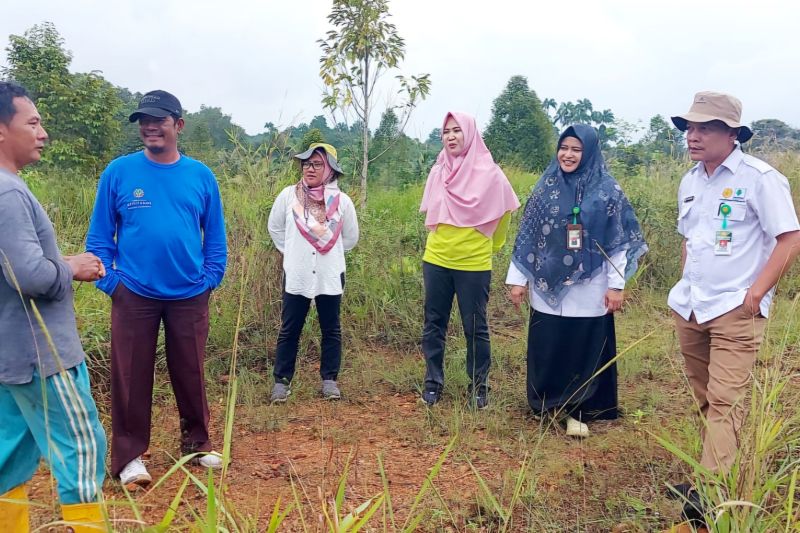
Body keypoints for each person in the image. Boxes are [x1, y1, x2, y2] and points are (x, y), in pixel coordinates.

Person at [666, 91, 800, 526]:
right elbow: (690, 239)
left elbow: (789, 238)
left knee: (726, 400)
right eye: (690, 127)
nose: (693, 135)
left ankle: (710, 495)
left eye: (705, 128)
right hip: (692, 306)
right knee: (704, 397)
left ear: (731, 134)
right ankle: (713, 472)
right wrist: (685, 283)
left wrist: (756, 294)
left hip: (735, 309)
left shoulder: (761, 179)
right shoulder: (690, 181)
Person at [86, 90, 228, 489]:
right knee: (130, 374)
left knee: (192, 369)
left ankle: (197, 445)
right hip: (134, 292)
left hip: (188, 292)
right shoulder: (119, 172)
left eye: (159, 120)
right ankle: (130, 457)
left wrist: (210, 278)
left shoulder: (200, 176)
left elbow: (215, 236)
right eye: (144, 121)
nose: (150, 127)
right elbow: (99, 238)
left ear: (178, 125)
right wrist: (113, 284)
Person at [0, 81, 107, 532]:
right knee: (82, 450)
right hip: (41, 355)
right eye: (34, 122)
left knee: (9, 455)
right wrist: (74, 266)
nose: (42, 133)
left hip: (11, 357)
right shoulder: (8, 194)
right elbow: (31, 277)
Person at [506, 124, 647, 437]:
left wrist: (616, 285)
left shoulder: (607, 190)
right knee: (549, 343)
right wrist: (518, 280)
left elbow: (619, 243)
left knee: (583, 345)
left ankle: (580, 409)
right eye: (564, 148)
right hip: (547, 284)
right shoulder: (546, 186)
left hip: (590, 288)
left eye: (576, 149)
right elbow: (527, 237)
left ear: (590, 152)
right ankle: (546, 402)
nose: (567, 155)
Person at [419, 111, 520, 409]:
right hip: (436, 258)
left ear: (470, 133)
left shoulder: (490, 173)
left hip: (474, 263)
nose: (451, 136)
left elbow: (504, 213)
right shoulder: (439, 170)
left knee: (475, 326)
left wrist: (488, 245)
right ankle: (433, 383)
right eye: (446, 131)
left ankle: (479, 387)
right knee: (434, 323)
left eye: (457, 131)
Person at [267, 143, 359, 402]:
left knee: (331, 329)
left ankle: (329, 380)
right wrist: (295, 253)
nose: (310, 169)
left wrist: (328, 252)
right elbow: (275, 228)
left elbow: (350, 238)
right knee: (289, 329)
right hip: (296, 274)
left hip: (330, 274)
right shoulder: (288, 196)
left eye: (317, 164)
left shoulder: (342, 202)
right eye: (306, 164)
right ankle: (281, 382)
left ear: (330, 169)